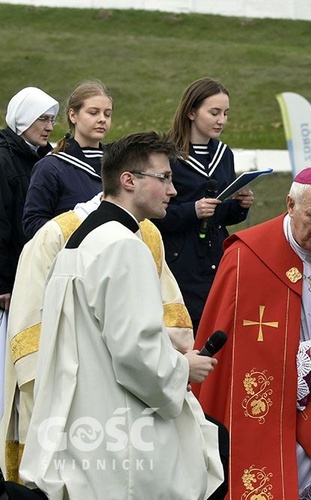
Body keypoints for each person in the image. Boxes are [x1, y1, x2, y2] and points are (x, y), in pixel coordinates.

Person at [18, 132, 223, 499]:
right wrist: (184, 368)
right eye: (164, 178)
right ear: (128, 180)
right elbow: (136, 353)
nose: (173, 191)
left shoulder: (81, 240)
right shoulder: (124, 247)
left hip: (87, 420)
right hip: (123, 435)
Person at [193, 164, 311, 499]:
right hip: (262, 392)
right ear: (290, 205)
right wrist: (306, 354)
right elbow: (235, 352)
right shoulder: (247, 256)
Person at [0, 192, 193, 483]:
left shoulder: (147, 233)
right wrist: (47, 385)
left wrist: (172, 356)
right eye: (163, 177)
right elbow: (29, 319)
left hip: (131, 380)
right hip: (69, 376)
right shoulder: (56, 234)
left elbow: (169, 312)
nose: (172, 191)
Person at [153, 77, 254, 333]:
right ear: (191, 112)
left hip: (217, 257)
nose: (222, 120)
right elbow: (154, 215)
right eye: (214, 112)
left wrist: (240, 206)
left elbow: (222, 215)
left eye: (225, 113)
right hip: (181, 262)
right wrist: (193, 210)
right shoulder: (168, 156)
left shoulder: (224, 154)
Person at [23, 80, 113, 237]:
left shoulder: (118, 163)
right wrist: (78, 226)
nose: (102, 119)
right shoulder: (51, 166)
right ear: (73, 115)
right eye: (93, 112)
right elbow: (32, 223)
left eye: (107, 114)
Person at [0, 87, 58, 312]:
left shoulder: (44, 156)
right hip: (13, 280)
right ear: (23, 119)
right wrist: (3, 282)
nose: (50, 127)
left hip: (37, 273)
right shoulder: (4, 160)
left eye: (52, 119)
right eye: (43, 119)